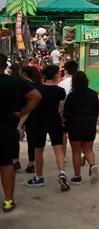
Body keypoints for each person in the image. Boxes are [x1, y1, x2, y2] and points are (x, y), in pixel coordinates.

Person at [19, 65, 70, 190]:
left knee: (38, 150)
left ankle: (39, 177)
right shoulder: (60, 91)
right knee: (58, 148)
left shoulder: (37, 89)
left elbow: (29, 109)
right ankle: (62, 173)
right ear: (55, 76)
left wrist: (20, 124)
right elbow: (61, 108)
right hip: (54, 120)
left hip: (38, 122)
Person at [0, 61, 41, 213]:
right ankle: (8, 200)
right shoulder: (16, 82)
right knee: (6, 164)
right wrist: (23, 112)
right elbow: (36, 96)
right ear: (5, 66)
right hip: (6, 126)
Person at [63, 71, 99, 185]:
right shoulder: (93, 94)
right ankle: (92, 166)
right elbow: (96, 111)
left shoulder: (71, 96)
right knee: (88, 148)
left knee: (76, 151)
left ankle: (77, 176)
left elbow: (66, 113)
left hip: (75, 125)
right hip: (90, 124)